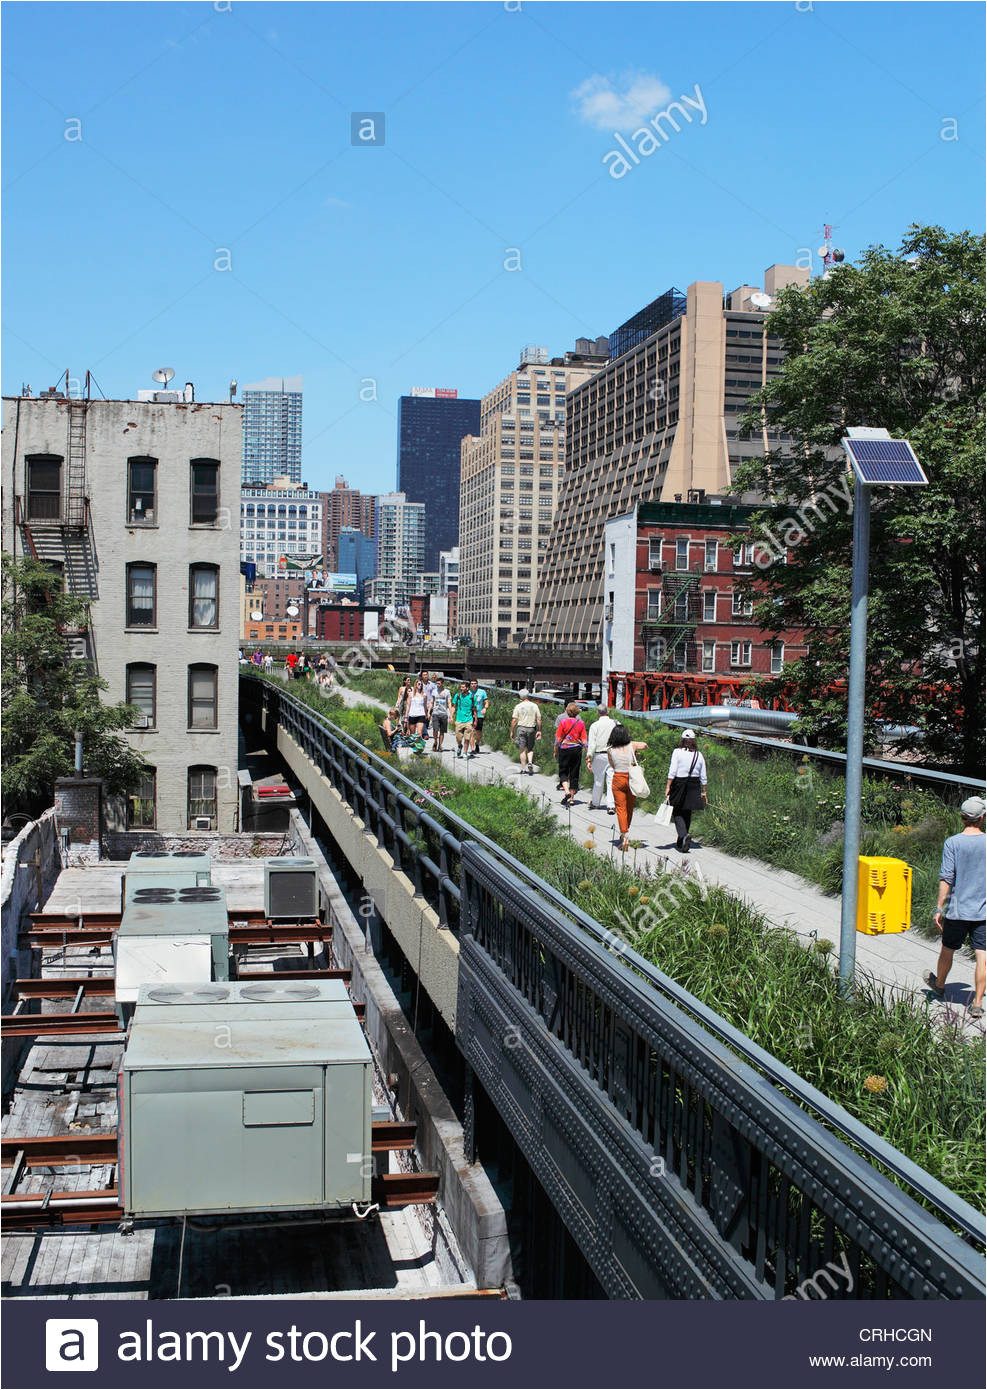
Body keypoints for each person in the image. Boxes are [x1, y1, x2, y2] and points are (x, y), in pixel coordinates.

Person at [926, 796, 986, 1018]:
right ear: (982, 817)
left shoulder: (952, 842)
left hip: (957, 909)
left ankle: (940, 985)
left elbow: (946, 878)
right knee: (982, 955)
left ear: (962, 818)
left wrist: (939, 907)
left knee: (948, 949)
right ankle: (977, 1002)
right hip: (983, 912)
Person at [664, 728, 708, 854]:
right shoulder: (699, 755)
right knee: (687, 811)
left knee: (677, 810)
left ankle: (684, 835)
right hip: (694, 784)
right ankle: (682, 839)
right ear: (694, 741)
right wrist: (704, 792)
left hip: (679, 782)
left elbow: (672, 770)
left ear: (682, 740)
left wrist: (668, 786)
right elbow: (703, 775)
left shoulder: (677, 752)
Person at [607, 724, 649, 852]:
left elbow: (612, 765)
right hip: (631, 778)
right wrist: (634, 750)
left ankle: (624, 835)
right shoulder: (631, 745)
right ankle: (625, 832)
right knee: (629, 808)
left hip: (618, 778)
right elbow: (645, 745)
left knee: (620, 809)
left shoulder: (610, 750)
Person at [555, 702, 588, 806]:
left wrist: (555, 751)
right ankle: (572, 799)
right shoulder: (581, 723)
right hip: (576, 750)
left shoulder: (563, 722)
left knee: (563, 771)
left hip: (564, 749)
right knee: (574, 773)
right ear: (577, 712)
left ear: (567, 711)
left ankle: (566, 791)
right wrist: (588, 753)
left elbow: (558, 739)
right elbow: (584, 740)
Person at [586, 704, 617, 811]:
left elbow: (592, 744)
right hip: (613, 754)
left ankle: (595, 803)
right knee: (611, 780)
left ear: (598, 713)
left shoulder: (594, 725)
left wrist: (589, 756)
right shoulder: (616, 723)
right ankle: (611, 805)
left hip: (599, 754)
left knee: (598, 780)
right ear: (608, 712)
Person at [510, 689, 542, 774]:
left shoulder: (518, 706)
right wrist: (539, 730)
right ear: (528, 696)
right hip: (531, 728)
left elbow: (514, 720)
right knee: (530, 748)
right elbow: (539, 719)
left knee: (522, 749)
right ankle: (530, 762)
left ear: (520, 697)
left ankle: (523, 769)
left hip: (521, 728)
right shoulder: (534, 706)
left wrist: (512, 731)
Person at [451, 681, 476, 759]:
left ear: (467, 688)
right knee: (458, 737)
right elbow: (454, 707)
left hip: (469, 720)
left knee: (467, 738)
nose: (461, 688)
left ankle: (465, 752)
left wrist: (476, 720)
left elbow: (474, 709)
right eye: (461, 687)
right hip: (459, 720)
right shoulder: (457, 696)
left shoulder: (472, 697)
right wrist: (451, 716)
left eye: (463, 687)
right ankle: (459, 746)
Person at [430, 678, 451, 752]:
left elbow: (449, 703)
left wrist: (450, 714)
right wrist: (429, 711)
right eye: (436, 683)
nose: (437, 685)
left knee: (442, 731)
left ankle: (440, 745)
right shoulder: (434, 691)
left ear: (442, 684)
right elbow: (432, 702)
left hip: (444, 713)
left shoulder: (447, 692)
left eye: (439, 683)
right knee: (435, 729)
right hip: (435, 713)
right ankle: (435, 742)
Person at [469, 679, 488, 753]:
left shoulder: (482, 692)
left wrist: (485, 708)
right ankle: (472, 749)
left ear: (477, 684)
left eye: (475, 683)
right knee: (472, 731)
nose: (473, 685)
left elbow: (486, 702)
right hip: (470, 715)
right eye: (472, 683)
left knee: (478, 732)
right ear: (470, 685)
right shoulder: (468, 692)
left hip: (480, 714)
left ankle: (477, 743)